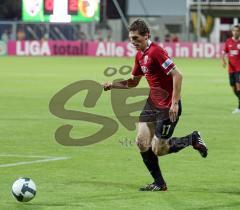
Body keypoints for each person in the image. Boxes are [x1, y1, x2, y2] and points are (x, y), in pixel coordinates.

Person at [103, 19, 208, 191]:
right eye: (131, 38)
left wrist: (174, 103)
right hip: (152, 103)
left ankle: (192, 139)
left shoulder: (156, 52)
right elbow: (133, 83)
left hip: (167, 107)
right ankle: (159, 183)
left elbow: (177, 75)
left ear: (147, 36)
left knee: (159, 149)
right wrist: (113, 85)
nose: (133, 42)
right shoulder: (139, 56)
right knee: (141, 142)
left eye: (136, 38)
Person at [222, 24, 240, 114]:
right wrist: (223, 61)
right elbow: (224, 52)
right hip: (231, 69)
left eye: (237, 30)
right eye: (234, 30)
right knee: (233, 88)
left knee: (238, 86)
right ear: (232, 32)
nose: (235, 32)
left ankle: (239, 108)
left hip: (239, 69)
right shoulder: (228, 41)